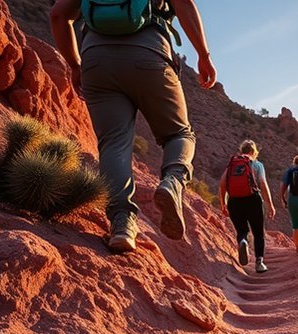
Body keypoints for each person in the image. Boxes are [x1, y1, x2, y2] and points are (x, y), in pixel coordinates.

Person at [49, 0, 217, 253]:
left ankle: (122, 226)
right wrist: (204, 56)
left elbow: (58, 15)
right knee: (179, 134)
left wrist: (74, 65)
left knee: (114, 143)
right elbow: (183, 4)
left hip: (97, 60)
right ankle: (172, 181)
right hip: (149, 54)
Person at [219, 140, 275, 273]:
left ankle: (243, 241)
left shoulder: (232, 164)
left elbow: (222, 184)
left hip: (234, 201)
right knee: (258, 232)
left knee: (242, 230)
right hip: (253, 200)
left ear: (241, 151)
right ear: (253, 152)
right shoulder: (257, 164)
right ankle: (259, 263)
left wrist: (223, 203)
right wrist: (270, 204)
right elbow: (263, 183)